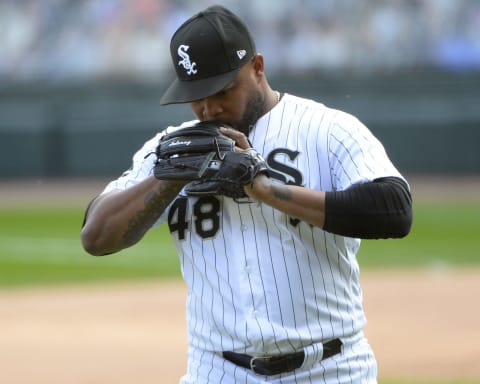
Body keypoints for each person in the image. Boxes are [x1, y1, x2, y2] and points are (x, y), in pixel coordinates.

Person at [81, 5, 412, 383]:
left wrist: (267, 190)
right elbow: (96, 237)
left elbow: (395, 209)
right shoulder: (174, 149)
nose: (207, 108)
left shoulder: (326, 128)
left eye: (221, 91)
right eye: (194, 95)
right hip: (216, 370)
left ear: (257, 67)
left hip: (330, 368)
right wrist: (167, 180)